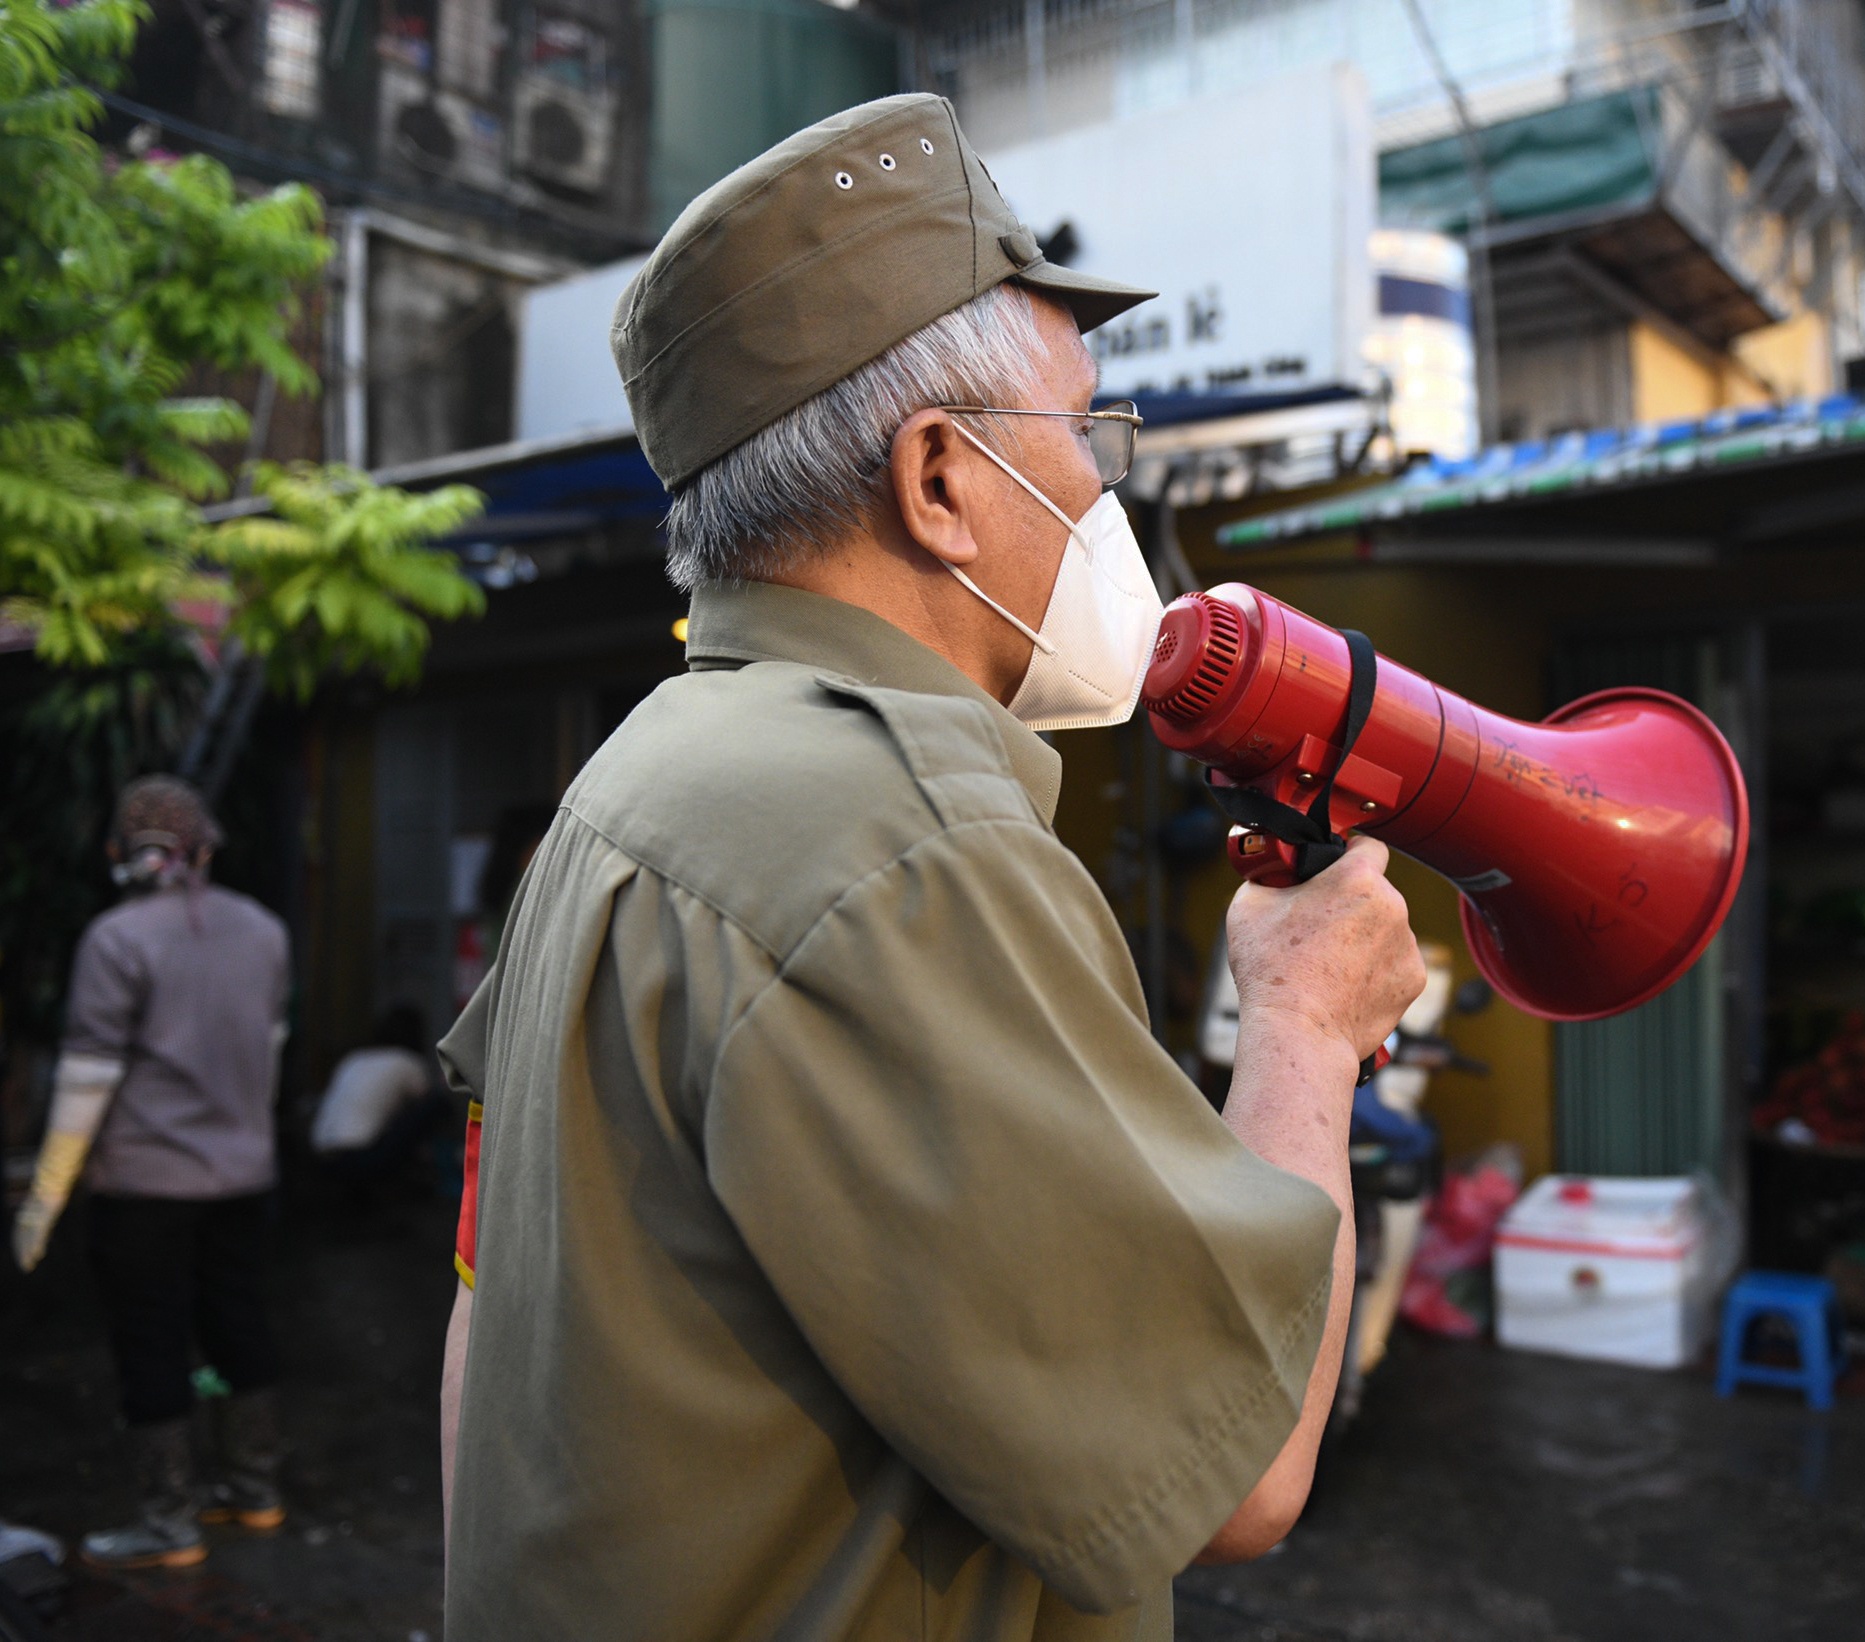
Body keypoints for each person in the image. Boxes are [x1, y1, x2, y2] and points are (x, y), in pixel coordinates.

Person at [435, 93, 1424, 1642]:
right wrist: (1302, 1020)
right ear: (941, 479)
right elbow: (1235, 1474)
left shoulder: (626, 787)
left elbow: (480, 1329)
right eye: (1086, 435)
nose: (1108, 493)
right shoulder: (902, 842)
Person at [10, 776, 292, 1567]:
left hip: (144, 1189)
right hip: (243, 1177)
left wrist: (43, 1199)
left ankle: (168, 1524)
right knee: (240, 1322)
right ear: (206, 847)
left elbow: (87, 1083)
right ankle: (255, 1490)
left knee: (153, 1341)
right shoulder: (265, 931)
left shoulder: (115, 939)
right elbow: (265, 1059)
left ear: (118, 851)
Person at [308, 1004, 445, 1188]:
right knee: (437, 1103)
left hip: (319, 1152)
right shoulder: (407, 1061)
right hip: (363, 1156)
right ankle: (437, 1173)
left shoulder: (355, 1057)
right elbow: (426, 1102)